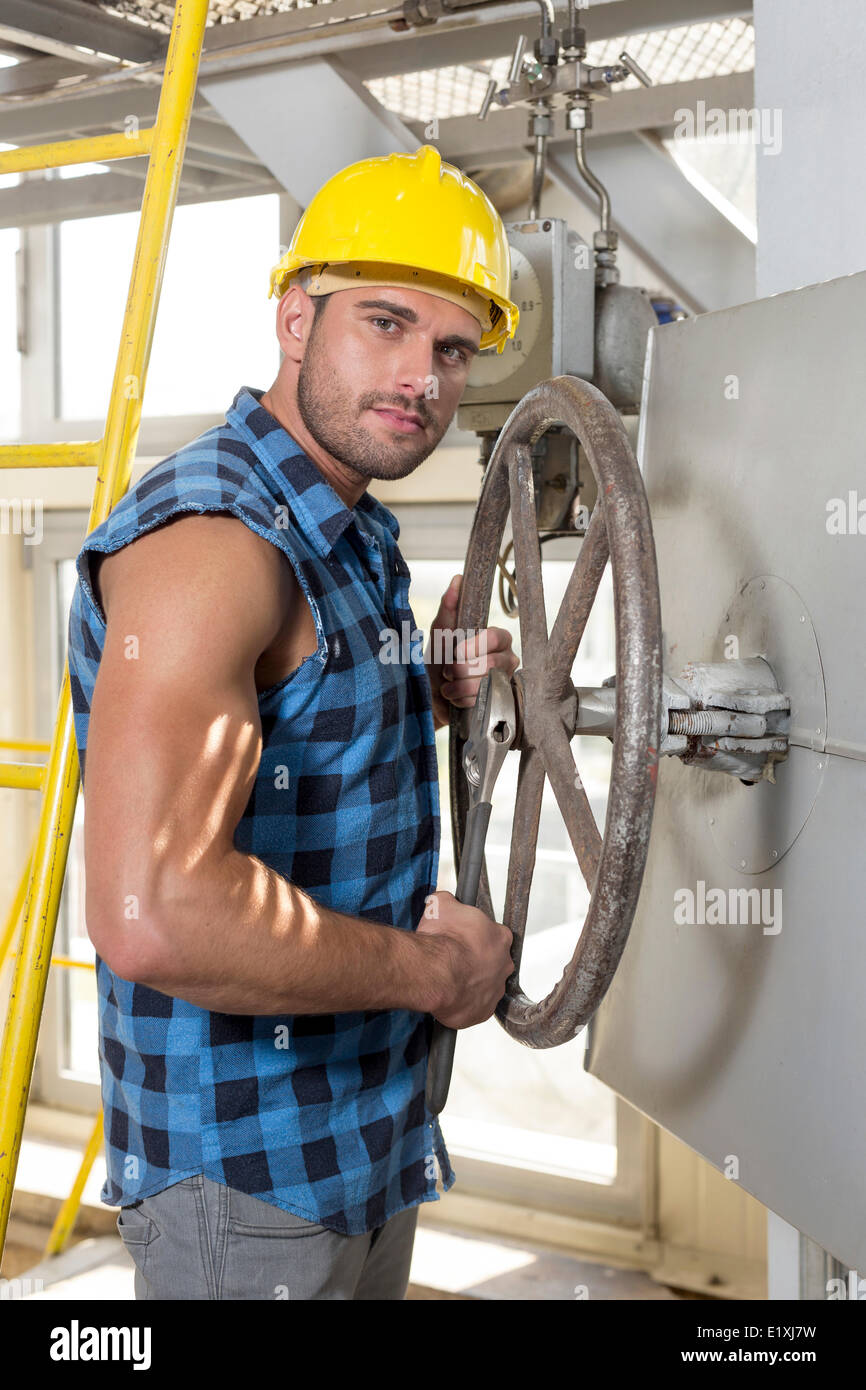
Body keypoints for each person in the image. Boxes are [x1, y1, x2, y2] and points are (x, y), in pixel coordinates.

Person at [66, 144, 520, 1301]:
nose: (419, 374)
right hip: (248, 1172)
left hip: (363, 1133)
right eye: (383, 323)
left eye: (451, 348)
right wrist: (431, 972)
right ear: (293, 319)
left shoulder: (344, 522)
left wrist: (421, 684)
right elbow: (155, 913)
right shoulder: (213, 542)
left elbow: (287, 715)